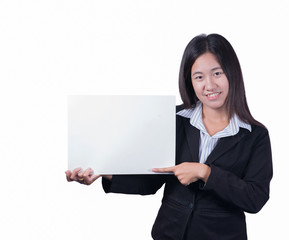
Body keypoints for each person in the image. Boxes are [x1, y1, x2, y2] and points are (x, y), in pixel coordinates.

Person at [65, 33, 273, 240]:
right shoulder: (173, 119)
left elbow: (255, 199)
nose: (209, 85)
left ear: (232, 73)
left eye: (217, 73)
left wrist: (206, 173)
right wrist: (103, 172)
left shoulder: (255, 135)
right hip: (168, 234)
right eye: (199, 77)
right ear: (189, 81)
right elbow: (150, 181)